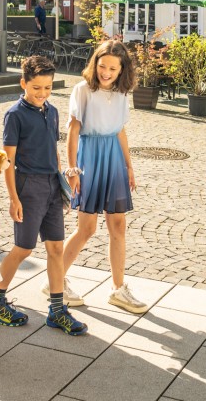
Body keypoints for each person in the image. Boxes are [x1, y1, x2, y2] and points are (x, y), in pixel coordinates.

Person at [0, 55, 88, 335]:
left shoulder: (51, 112)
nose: (42, 94)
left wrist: (62, 178)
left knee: (55, 248)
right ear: (23, 83)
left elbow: (53, 148)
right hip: (28, 189)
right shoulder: (14, 115)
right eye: (36, 88)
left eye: (48, 88)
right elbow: (7, 161)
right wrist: (13, 198)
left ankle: (56, 310)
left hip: (52, 186)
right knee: (24, 248)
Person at [57, 39, 148, 313]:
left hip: (114, 159)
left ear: (122, 71)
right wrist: (72, 169)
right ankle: (55, 279)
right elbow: (73, 130)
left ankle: (118, 289)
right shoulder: (82, 90)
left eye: (112, 68)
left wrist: (129, 166)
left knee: (118, 226)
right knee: (87, 228)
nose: (106, 72)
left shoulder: (121, 94)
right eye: (102, 66)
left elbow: (121, 131)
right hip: (89, 158)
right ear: (95, 63)